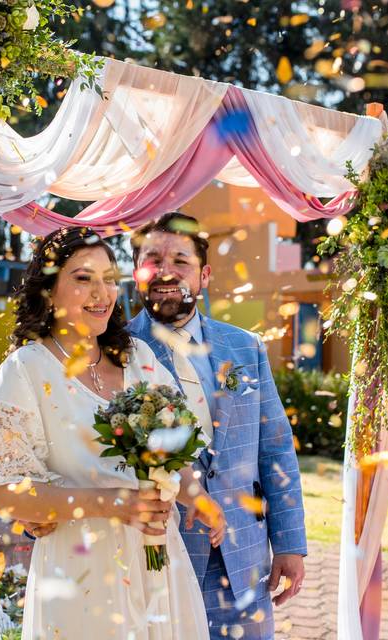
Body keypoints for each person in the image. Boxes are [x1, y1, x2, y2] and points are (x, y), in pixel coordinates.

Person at [0, 226, 224, 639]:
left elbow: (175, 447)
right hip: (80, 573)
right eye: (83, 279)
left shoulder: (140, 359)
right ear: (49, 291)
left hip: (158, 563)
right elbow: (4, 491)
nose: (101, 293)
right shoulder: (26, 369)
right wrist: (113, 503)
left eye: (108, 279)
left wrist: (196, 495)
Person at [128, 212, 308, 640]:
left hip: (245, 560)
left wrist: (289, 542)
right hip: (155, 560)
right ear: (136, 273)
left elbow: (275, 448)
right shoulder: (113, 353)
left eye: (181, 261)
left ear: (204, 274)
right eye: (153, 259)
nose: (166, 272)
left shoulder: (245, 347)